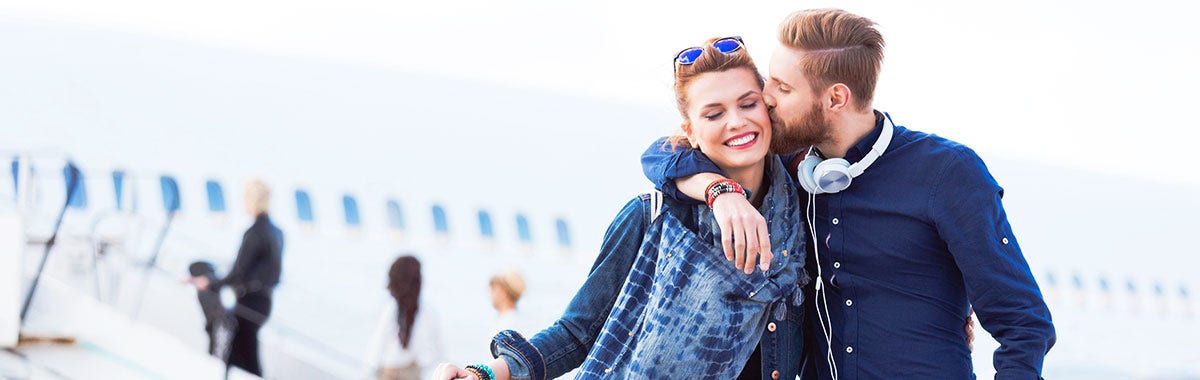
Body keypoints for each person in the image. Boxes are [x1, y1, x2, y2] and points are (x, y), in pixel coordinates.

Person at [641, 8, 1056, 379]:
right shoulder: (790, 172)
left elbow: (1024, 322)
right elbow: (665, 152)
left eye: (783, 89)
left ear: (836, 98)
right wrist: (721, 192)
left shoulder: (946, 172)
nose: (765, 99)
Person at [433, 36, 809, 380]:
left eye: (748, 104)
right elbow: (578, 332)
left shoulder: (805, 218)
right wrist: (483, 374)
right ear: (690, 131)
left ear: (768, 109)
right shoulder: (651, 217)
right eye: (713, 114)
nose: (737, 121)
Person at [189, 179, 284, 376]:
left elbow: (238, 273)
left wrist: (210, 283)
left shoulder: (255, 232)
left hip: (248, 303)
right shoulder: (277, 233)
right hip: (264, 302)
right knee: (245, 353)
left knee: (240, 355)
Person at [364, 255, 445, 380]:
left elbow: (377, 345)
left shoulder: (390, 309)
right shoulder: (427, 312)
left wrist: (368, 372)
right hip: (410, 373)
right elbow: (438, 351)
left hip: (389, 372)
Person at [488, 271, 528, 336]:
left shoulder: (505, 325)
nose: (490, 294)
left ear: (502, 292)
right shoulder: (519, 320)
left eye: (493, 289)